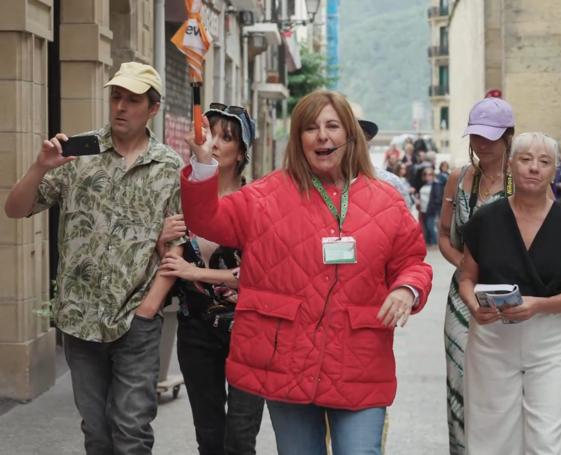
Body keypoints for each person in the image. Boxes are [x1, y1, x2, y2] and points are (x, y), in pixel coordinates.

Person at [179, 90, 433, 454]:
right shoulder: (266, 195)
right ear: (298, 138)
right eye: (311, 128)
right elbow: (207, 219)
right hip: (289, 364)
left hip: (359, 363)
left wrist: (407, 289)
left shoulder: (386, 200)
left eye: (333, 126)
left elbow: (413, 263)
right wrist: (203, 166)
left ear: (350, 135)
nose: (323, 136)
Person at [4, 62, 184, 454]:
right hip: (80, 317)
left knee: (131, 429)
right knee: (97, 431)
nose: (120, 106)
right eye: (116, 97)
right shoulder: (77, 153)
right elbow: (15, 209)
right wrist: (39, 167)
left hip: (136, 317)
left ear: (152, 109)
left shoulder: (169, 167)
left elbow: (176, 246)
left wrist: (149, 309)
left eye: (132, 100)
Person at [458, 132, 561, 454]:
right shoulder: (486, 219)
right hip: (492, 335)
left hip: (551, 340)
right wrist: (475, 306)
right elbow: (466, 278)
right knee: (489, 434)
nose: (534, 168)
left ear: (554, 170)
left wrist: (539, 305)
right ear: (511, 165)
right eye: (526, 159)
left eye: (544, 162)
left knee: (544, 437)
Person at [157, 103, 264, 455]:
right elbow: (171, 263)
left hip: (247, 328)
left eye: (226, 137)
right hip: (195, 329)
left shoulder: (257, 203)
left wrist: (196, 272)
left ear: (241, 152)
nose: (215, 143)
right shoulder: (184, 194)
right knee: (209, 436)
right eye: (210, 134)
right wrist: (162, 244)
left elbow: (258, 273)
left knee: (240, 438)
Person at [438, 96, 515, 455]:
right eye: (476, 136)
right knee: (460, 381)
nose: (482, 144)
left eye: (491, 136)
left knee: (503, 385)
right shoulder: (460, 178)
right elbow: (442, 236)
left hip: (513, 296)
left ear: (508, 136)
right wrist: (467, 270)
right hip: (462, 298)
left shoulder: (524, 179)